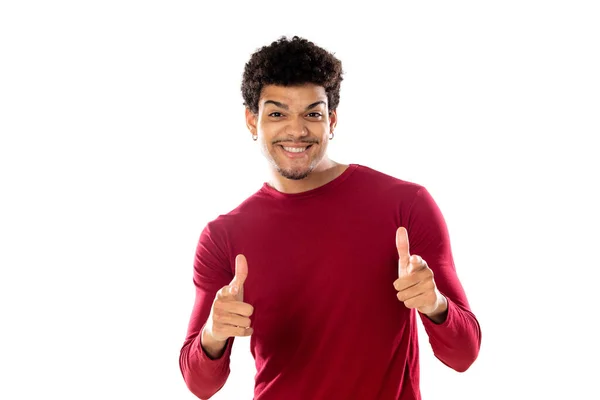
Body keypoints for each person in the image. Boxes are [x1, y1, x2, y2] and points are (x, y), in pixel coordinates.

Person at [179, 35, 481, 400]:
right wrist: (214, 333)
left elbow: (464, 354)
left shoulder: (406, 205)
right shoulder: (222, 237)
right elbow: (200, 384)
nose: (296, 130)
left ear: (332, 119)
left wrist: (434, 305)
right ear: (251, 121)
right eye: (277, 113)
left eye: (312, 113)